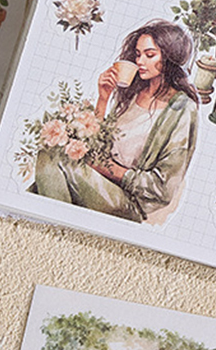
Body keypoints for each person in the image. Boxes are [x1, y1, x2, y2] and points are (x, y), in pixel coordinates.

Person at [35, 20, 198, 223]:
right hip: (100, 181)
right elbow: (99, 145)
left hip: (130, 201)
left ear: (170, 57)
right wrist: (103, 98)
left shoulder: (182, 109)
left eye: (149, 55)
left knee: (55, 162)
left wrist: (110, 170)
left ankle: (52, 223)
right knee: (50, 153)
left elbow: (163, 189)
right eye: (138, 54)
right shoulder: (133, 94)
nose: (140, 62)